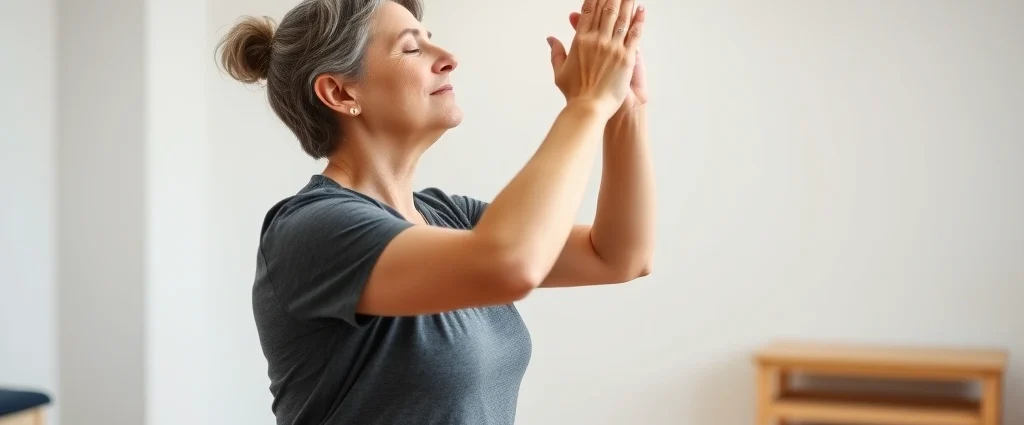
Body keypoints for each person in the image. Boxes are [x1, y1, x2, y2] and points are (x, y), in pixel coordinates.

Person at [216, 0, 654, 423]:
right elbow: (512, 263)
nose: (448, 58)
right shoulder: (310, 230)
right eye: (412, 47)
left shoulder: (448, 216)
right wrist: (586, 104)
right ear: (340, 91)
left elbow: (618, 255)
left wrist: (623, 110)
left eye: (432, 40)